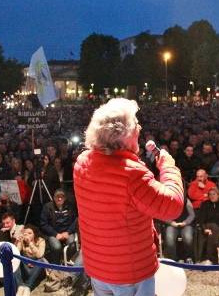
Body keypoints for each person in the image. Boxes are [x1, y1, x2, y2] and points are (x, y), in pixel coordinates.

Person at [74, 98, 184, 296]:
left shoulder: (82, 163)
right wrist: (168, 166)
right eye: (135, 123)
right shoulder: (132, 175)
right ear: (121, 136)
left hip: (98, 268)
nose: (139, 126)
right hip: (129, 273)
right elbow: (172, 205)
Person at [40, 188, 77, 263]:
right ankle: (56, 264)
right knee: (57, 247)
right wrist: (55, 234)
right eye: (57, 196)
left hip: (67, 232)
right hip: (53, 233)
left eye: (62, 196)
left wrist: (68, 232)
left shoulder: (70, 206)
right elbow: (43, 224)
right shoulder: (47, 207)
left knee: (72, 245)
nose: (59, 198)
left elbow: (75, 221)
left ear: (65, 198)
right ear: (53, 197)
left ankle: (66, 260)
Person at [198, 187, 219, 265]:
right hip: (207, 227)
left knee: (212, 233)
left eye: (214, 194)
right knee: (212, 225)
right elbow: (201, 219)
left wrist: (217, 229)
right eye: (210, 194)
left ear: (218, 195)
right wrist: (204, 229)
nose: (212, 196)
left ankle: (209, 259)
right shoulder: (205, 204)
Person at [15, 224, 46, 296]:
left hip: (36, 268)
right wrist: (17, 242)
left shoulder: (41, 240)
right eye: (26, 233)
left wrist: (30, 244)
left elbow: (40, 255)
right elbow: (16, 253)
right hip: (26, 267)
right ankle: (20, 286)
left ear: (34, 234)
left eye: (30, 233)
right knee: (15, 259)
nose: (27, 235)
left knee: (41, 261)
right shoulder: (22, 240)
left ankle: (28, 287)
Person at [163, 197, 195, 263]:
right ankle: (173, 259)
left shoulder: (186, 200)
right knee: (169, 239)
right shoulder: (166, 200)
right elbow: (164, 215)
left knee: (188, 238)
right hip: (172, 224)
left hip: (185, 224)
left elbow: (192, 215)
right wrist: (171, 223)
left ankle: (188, 257)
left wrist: (185, 222)